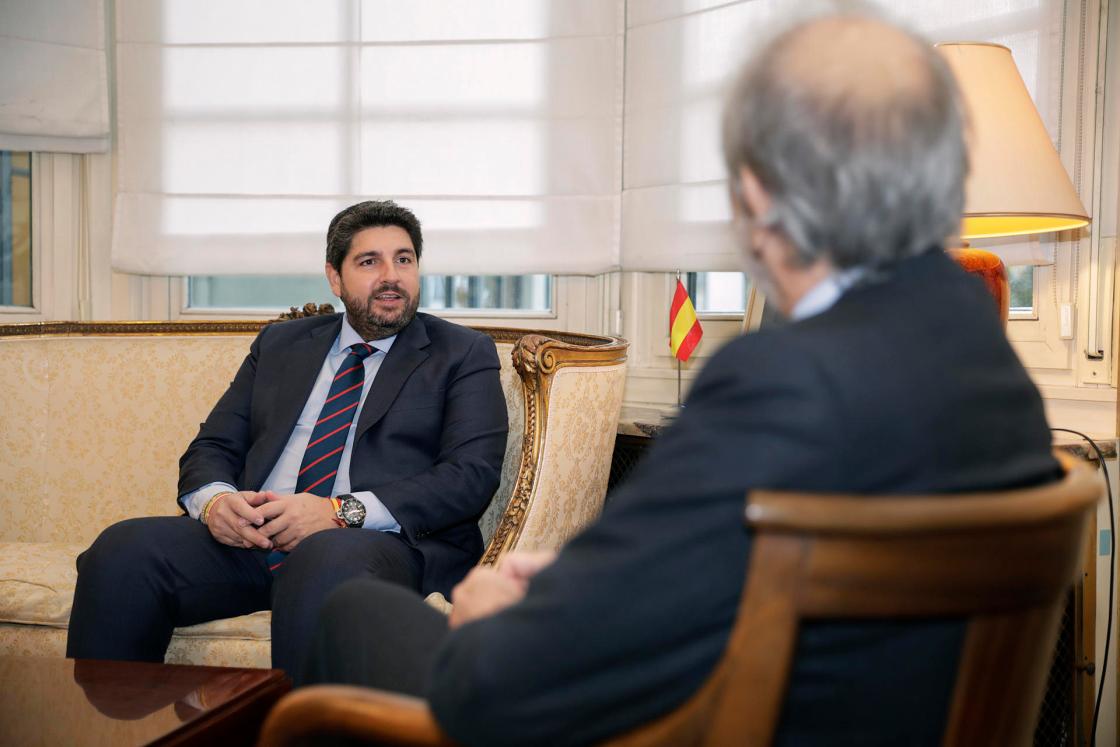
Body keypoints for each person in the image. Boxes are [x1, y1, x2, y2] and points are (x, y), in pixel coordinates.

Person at [302, 13, 1062, 746]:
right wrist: (580, 581)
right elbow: (709, 566)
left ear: (759, 195)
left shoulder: (779, 379)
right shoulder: (994, 373)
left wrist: (493, 617)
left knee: (356, 613)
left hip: (686, 717)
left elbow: (521, 675)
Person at [66, 200, 509, 676]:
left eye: (404, 259)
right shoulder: (280, 344)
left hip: (374, 548)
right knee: (122, 551)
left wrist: (337, 512)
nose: (392, 275)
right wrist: (216, 504)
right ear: (334, 278)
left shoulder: (462, 353)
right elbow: (213, 446)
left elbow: (470, 475)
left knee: (325, 554)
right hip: (253, 540)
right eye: (369, 261)